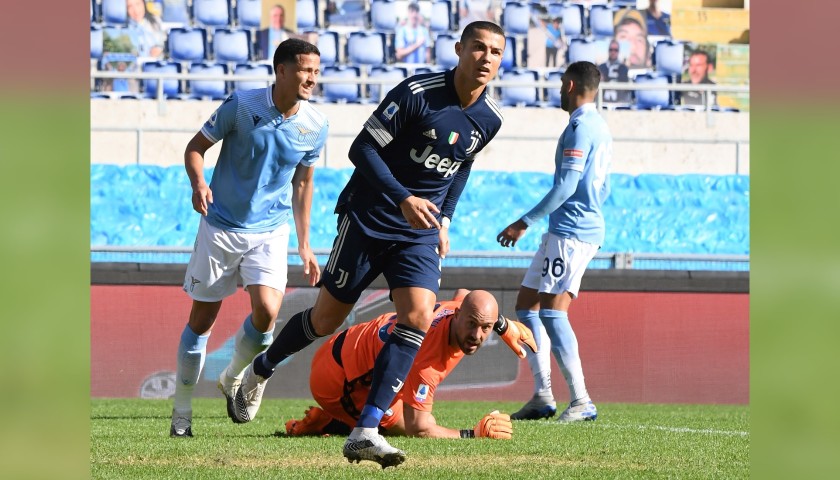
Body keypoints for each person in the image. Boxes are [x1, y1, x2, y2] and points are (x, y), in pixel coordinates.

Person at [231, 21, 507, 468]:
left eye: (495, 51)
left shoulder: (489, 120)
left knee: (417, 316)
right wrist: (403, 197)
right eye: (478, 47)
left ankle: (366, 429)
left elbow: (460, 168)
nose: (486, 58)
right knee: (326, 319)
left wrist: (445, 219)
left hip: (419, 230)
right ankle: (261, 370)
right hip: (370, 217)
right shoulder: (417, 92)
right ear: (459, 49)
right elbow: (361, 149)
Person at [169, 38, 329, 438]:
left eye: (316, 71)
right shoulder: (242, 106)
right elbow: (195, 147)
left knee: (268, 313)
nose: (312, 78)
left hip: (271, 231)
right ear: (281, 71)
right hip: (221, 226)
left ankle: (233, 376)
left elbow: (304, 183)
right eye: (305, 69)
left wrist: (305, 244)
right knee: (202, 321)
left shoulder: (316, 125)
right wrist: (198, 183)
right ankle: (181, 412)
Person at [496, 61, 612, 424]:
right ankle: (543, 394)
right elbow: (603, 186)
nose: (559, 90)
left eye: (562, 84)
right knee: (526, 305)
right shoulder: (599, 126)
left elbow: (567, 186)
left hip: (573, 232)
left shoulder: (580, 126)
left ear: (572, 84)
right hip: (567, 229)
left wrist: (523, 222)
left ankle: (581, 400)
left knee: (551, 311)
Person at [283, 290, 537, 440]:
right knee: (402, 426)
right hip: (337, 381)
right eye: (472, 324)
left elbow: (465, 295)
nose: (477, 335)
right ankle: (328, 421)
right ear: (458, 316)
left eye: (487, 328)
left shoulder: (456, 309)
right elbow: (419, 428)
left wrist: (504, 326)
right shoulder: (427, 362)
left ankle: (339, 418)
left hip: (345, 346)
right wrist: (472, 434)